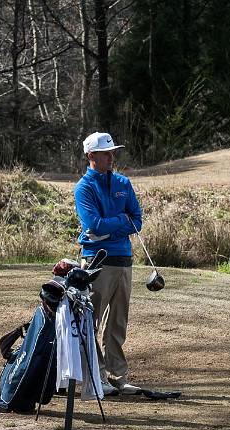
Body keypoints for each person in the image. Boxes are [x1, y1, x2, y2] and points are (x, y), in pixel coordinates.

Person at [74, 132, 143, 396]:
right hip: (97, 262)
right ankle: (95, 377)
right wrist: (120, 222)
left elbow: (136, 220)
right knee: (90, 321)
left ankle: (118, 377)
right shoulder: (84, 188)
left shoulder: (123, 182)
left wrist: (111, 225)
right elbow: (94, 225)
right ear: (92, 156)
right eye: (106, 153)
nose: (111, 157)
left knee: (117, 322)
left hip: (124, 260)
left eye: (113, 152)